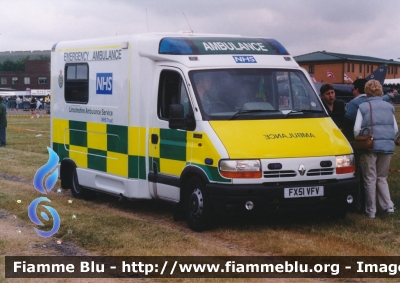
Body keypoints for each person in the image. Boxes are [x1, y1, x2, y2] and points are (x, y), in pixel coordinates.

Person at [354, 80, 398, 219]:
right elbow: (395, 129)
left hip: (369, 146)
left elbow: (356, 130)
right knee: (382, 178)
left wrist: (360, 138)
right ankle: (388, 207)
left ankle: (371, 211)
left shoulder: (363, 107)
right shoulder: (389, 107)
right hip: (386, 146)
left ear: (366, 91)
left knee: (370, 178)